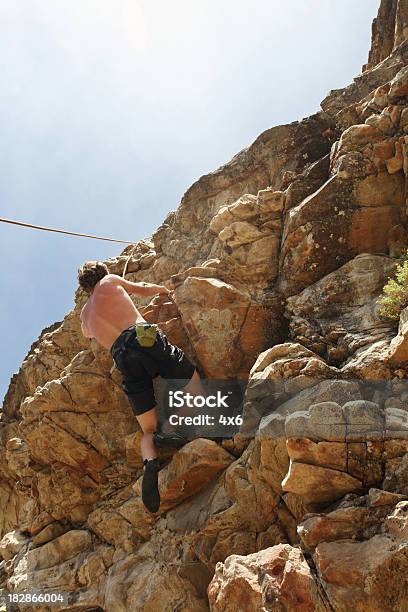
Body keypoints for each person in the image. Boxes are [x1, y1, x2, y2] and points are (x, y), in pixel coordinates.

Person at [77, 260, 204, 513]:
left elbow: (87, 333)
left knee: (147, 429)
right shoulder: (110, 280)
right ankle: (174, 429)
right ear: (102, 273)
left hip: (122, 357)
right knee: (194, 385)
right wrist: (164, 291)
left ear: (84, 287)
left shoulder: (84, 315)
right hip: (143, 337)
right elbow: (142, 287)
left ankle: (150, 461)